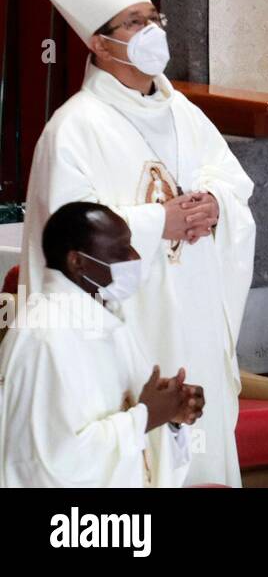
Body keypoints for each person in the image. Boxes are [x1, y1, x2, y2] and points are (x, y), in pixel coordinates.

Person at [27, 0, 255, 486]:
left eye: (153, 17)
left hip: (195, 315)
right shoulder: (73, 130)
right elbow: (70, 243)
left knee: (203, 456)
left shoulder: (184, 113)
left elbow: (233, 184)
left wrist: (214, 205)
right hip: (131, 333)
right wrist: (162, 221)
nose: (150, 31)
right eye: (132, 22)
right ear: (99, 45)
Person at [0, 202, 204, 487]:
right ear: (77, 262)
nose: (134, 257)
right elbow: (46, 464)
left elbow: (141, 414)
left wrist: (171, 413)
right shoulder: (43, 337)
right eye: (121, 250)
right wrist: (145, 417)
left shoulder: (107, 321)